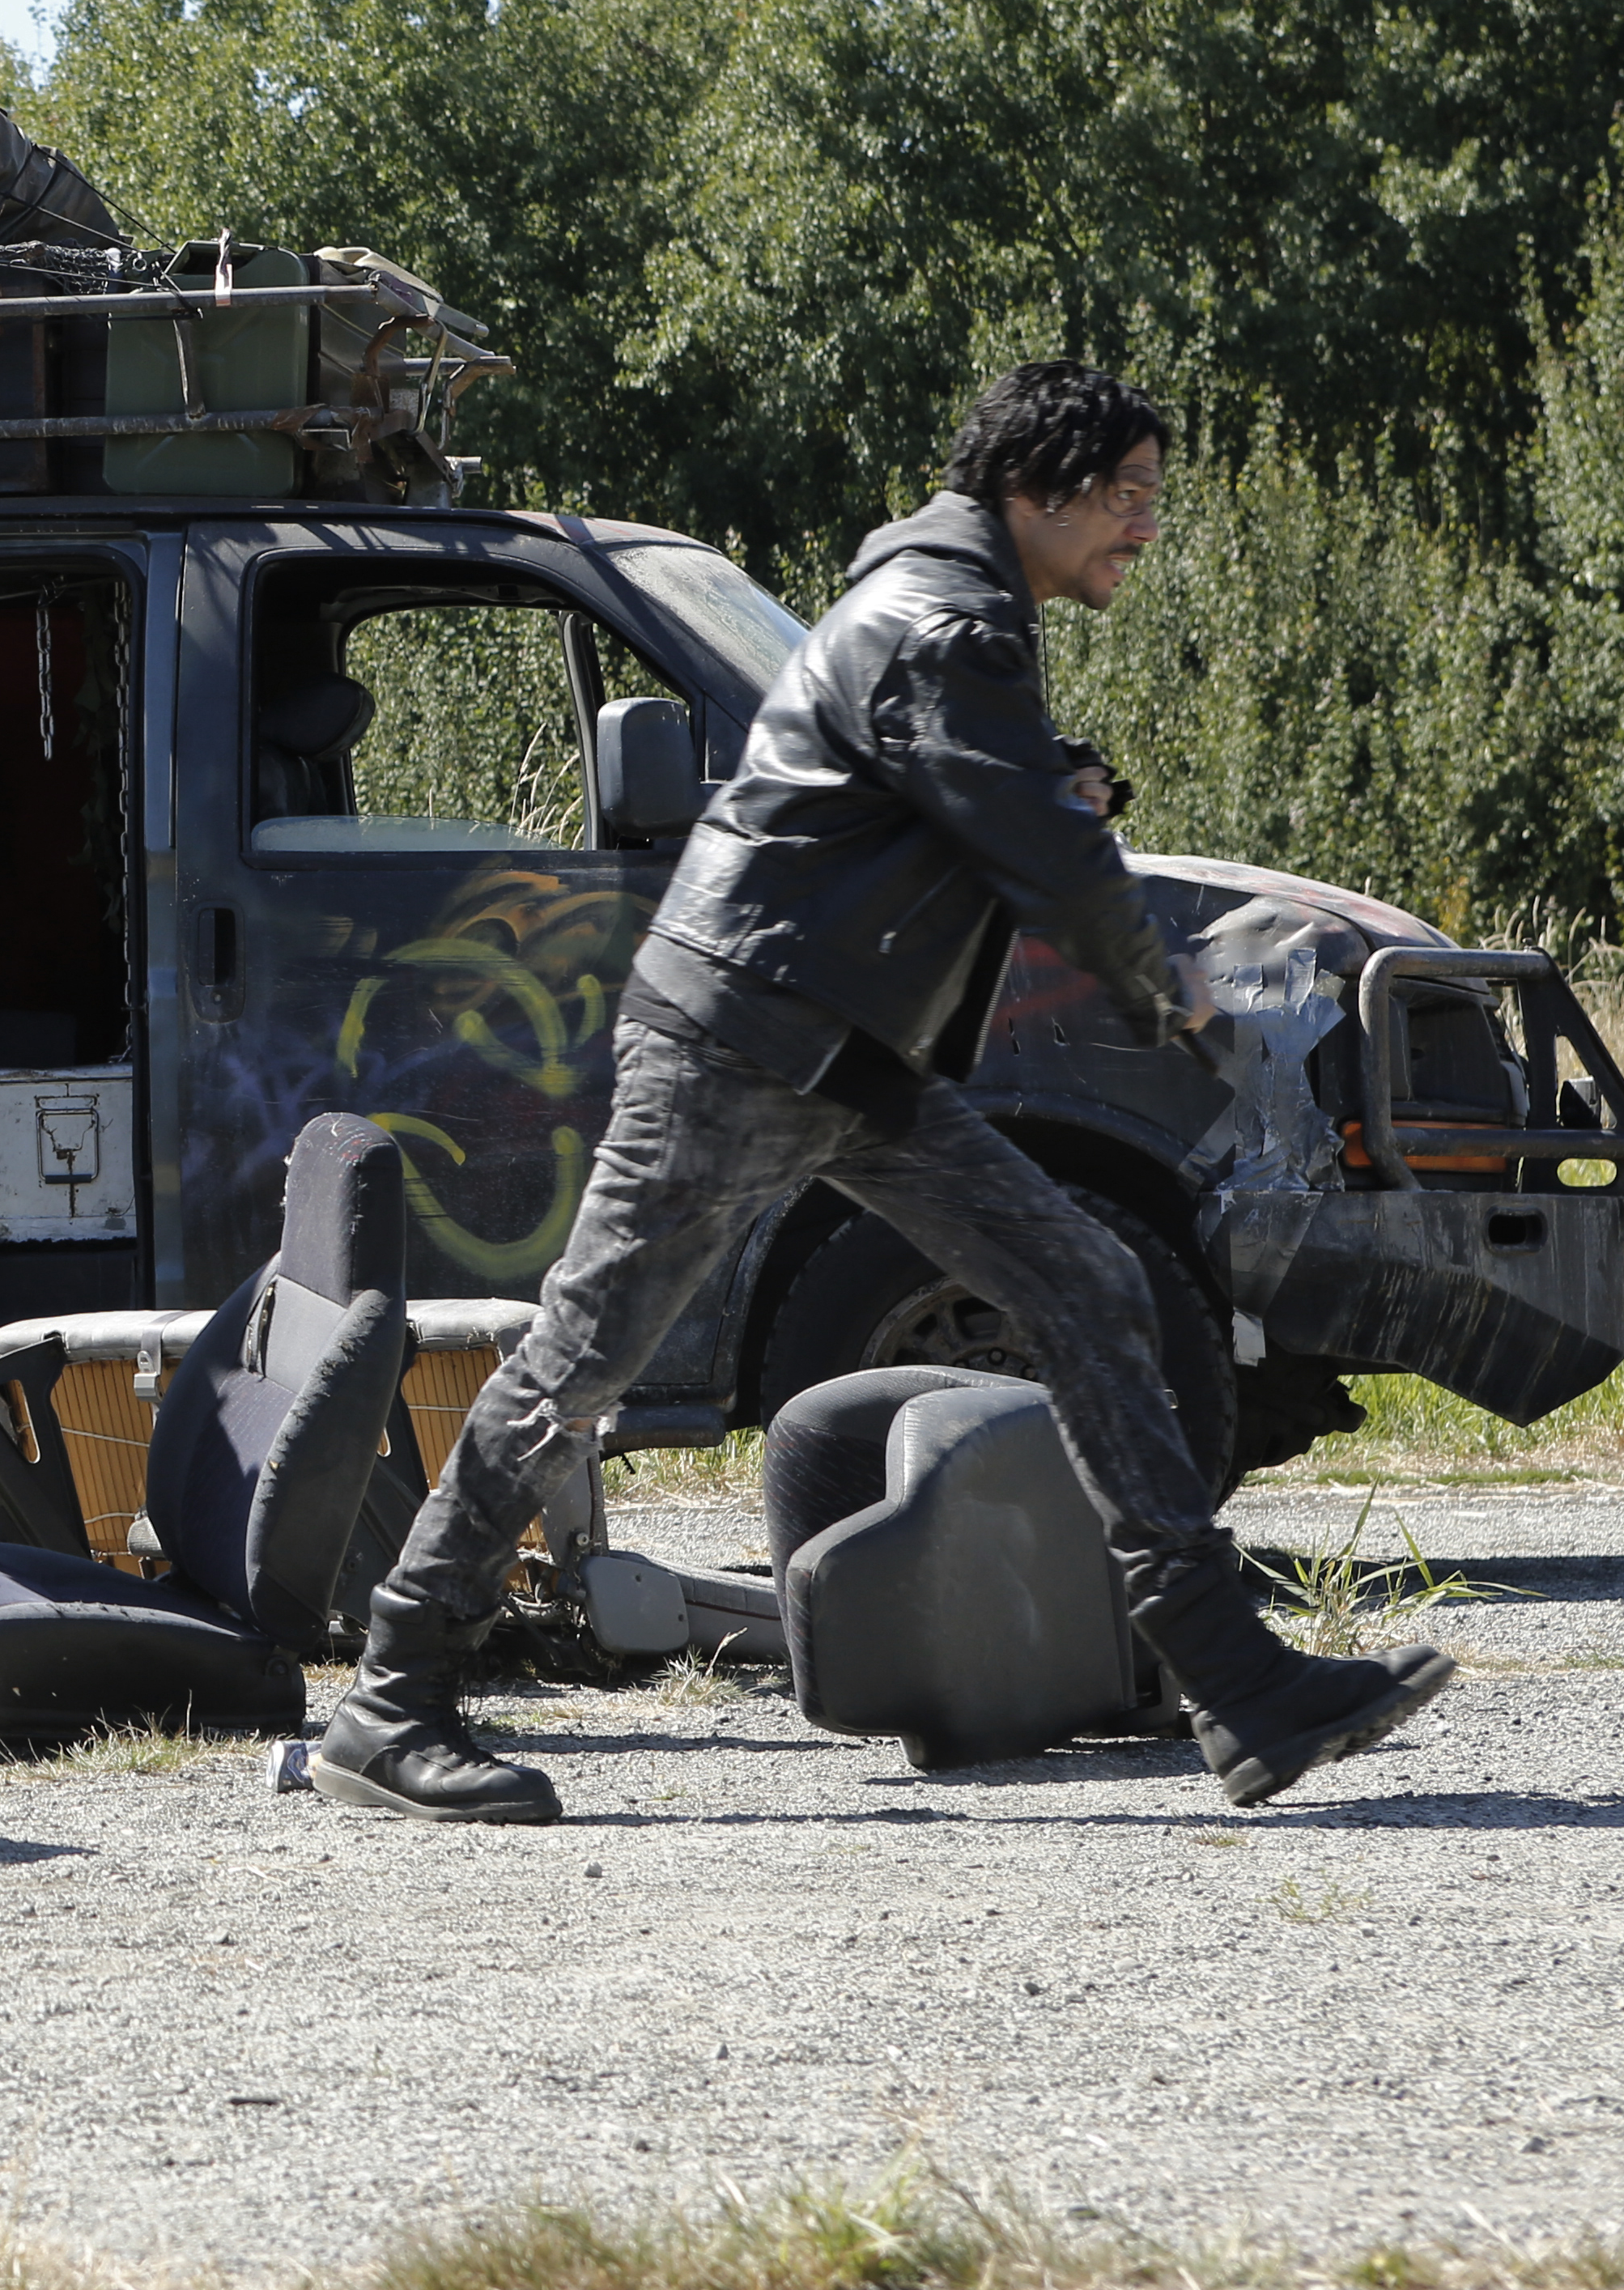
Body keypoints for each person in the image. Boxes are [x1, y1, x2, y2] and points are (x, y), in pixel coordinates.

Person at [315, 362, 1456, 1825]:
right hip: (742, 1034)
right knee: (583, 1363)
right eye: (1126, 499)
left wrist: (1053, 787)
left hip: (839, 1049)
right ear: (1036, 493)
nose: (1143, 531)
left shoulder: (949, 612)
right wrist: (1153, 980)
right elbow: (1029, 848)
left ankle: (1234, 1685)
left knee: (1092, 1282)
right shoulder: (946, 617)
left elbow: (958, 801)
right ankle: (392, 1697)